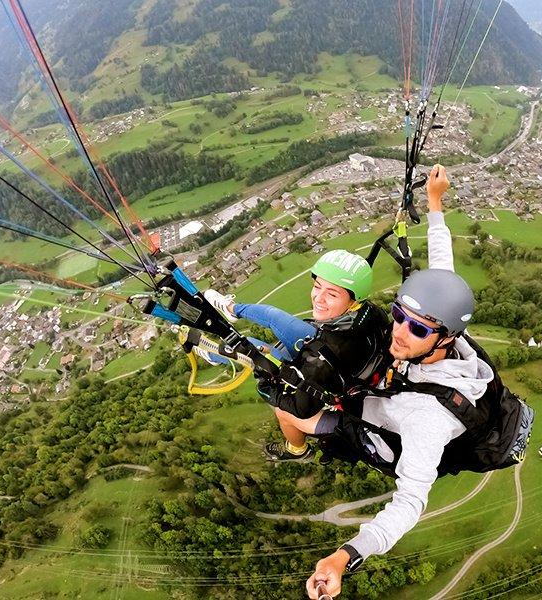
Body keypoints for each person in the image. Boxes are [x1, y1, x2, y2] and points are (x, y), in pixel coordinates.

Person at [263, 166, 498, 600]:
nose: (400, 332)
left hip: (385, 431)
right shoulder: (442, 328)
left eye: (417, 329)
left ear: (443, 337)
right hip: (386, 393)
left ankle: (296, 449)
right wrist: (435, 203)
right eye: (398, 316)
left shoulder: (429, 421)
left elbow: (409, 503)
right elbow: (442, 272)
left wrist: (344, 557)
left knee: (284, 407)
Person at [204, 249, 390, 462]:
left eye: (332, 294)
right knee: (272, 321)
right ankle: (231, 309)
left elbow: (300, 409)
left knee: (280, 407)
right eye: (317, 287)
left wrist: (268, 388)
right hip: (351, 370)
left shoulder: (322, 360)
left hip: (348, 400)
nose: (318, 298)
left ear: (352, 300)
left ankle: (296, 450)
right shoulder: (370, 312)